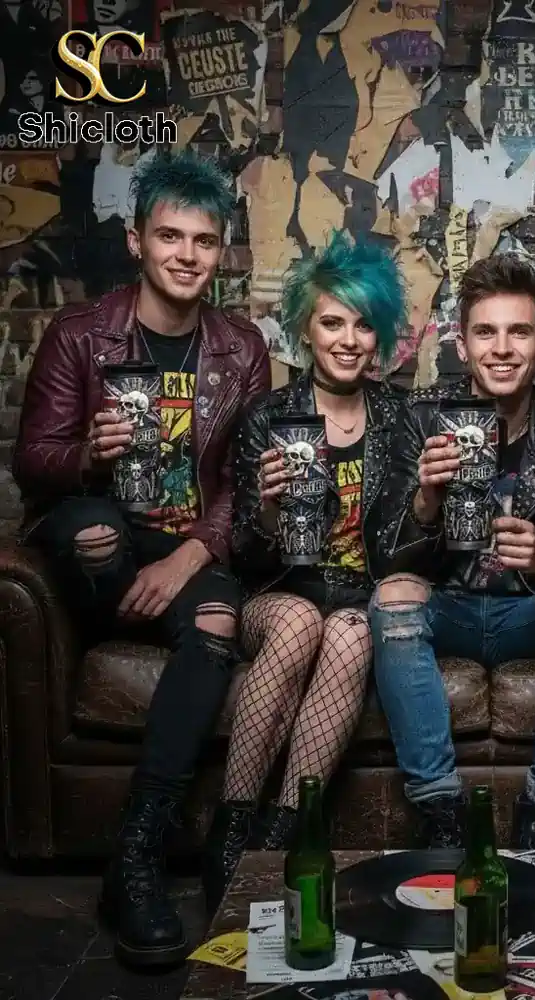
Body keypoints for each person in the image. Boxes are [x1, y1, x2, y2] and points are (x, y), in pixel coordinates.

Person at [11, 149, 270, 968]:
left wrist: (191, 556)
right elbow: (32, 463)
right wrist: (88, 452)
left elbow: (245, 484)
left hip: (188, 543)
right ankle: (128, 579)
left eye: (203, 240)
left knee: (221, 621)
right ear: (137, 241)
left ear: (221, 249)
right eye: (170, 236)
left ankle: (137, 851)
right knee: (96, 530)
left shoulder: (241, 347)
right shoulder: (79, 334)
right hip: (98, 536)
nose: (187, 256)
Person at [369, 254, 535, 849]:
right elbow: (383, 557)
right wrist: (427, 500)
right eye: (486, 331)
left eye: (519, 332)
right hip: (451, 607)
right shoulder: (423, 415)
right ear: (462, 343)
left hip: (529, 613)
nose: (502, 348)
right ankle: (441, 810)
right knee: (392, 595)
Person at [202, 231, 408, 913]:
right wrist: (263, 508)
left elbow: (410, 550)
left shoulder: (398, 418)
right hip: (279, 593)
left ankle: (285, 833)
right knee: (296, 622)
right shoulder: (268, 416)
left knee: (348, 633)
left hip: (355, 601)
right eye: (332, 322)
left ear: (378, 335)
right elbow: (245, 554)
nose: (348, 339)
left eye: (362, 324)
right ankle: (231, 831)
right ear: (305, 330)